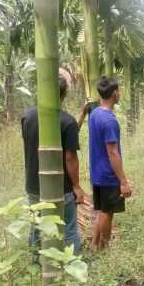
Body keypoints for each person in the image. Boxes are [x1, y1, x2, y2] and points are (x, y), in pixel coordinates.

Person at [22, 76, 87, 255]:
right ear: (64, 93)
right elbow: (70, 157)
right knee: (68, 229)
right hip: (62, 188)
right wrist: (77, 187)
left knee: (37, 227)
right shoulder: (67, 121)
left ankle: (36, 266)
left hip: (34, 185)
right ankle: (72, 265)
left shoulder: (27, 117)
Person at [89, 76, 132, 249]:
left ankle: (95, 245)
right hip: (108, 176)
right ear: (115, 93)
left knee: (103, 211)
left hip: (97, 173)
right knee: (108, 214)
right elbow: (113, 152)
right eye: (119, 91)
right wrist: (123, 181)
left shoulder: (95, 113)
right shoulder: (109, 120)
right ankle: (104, 250)